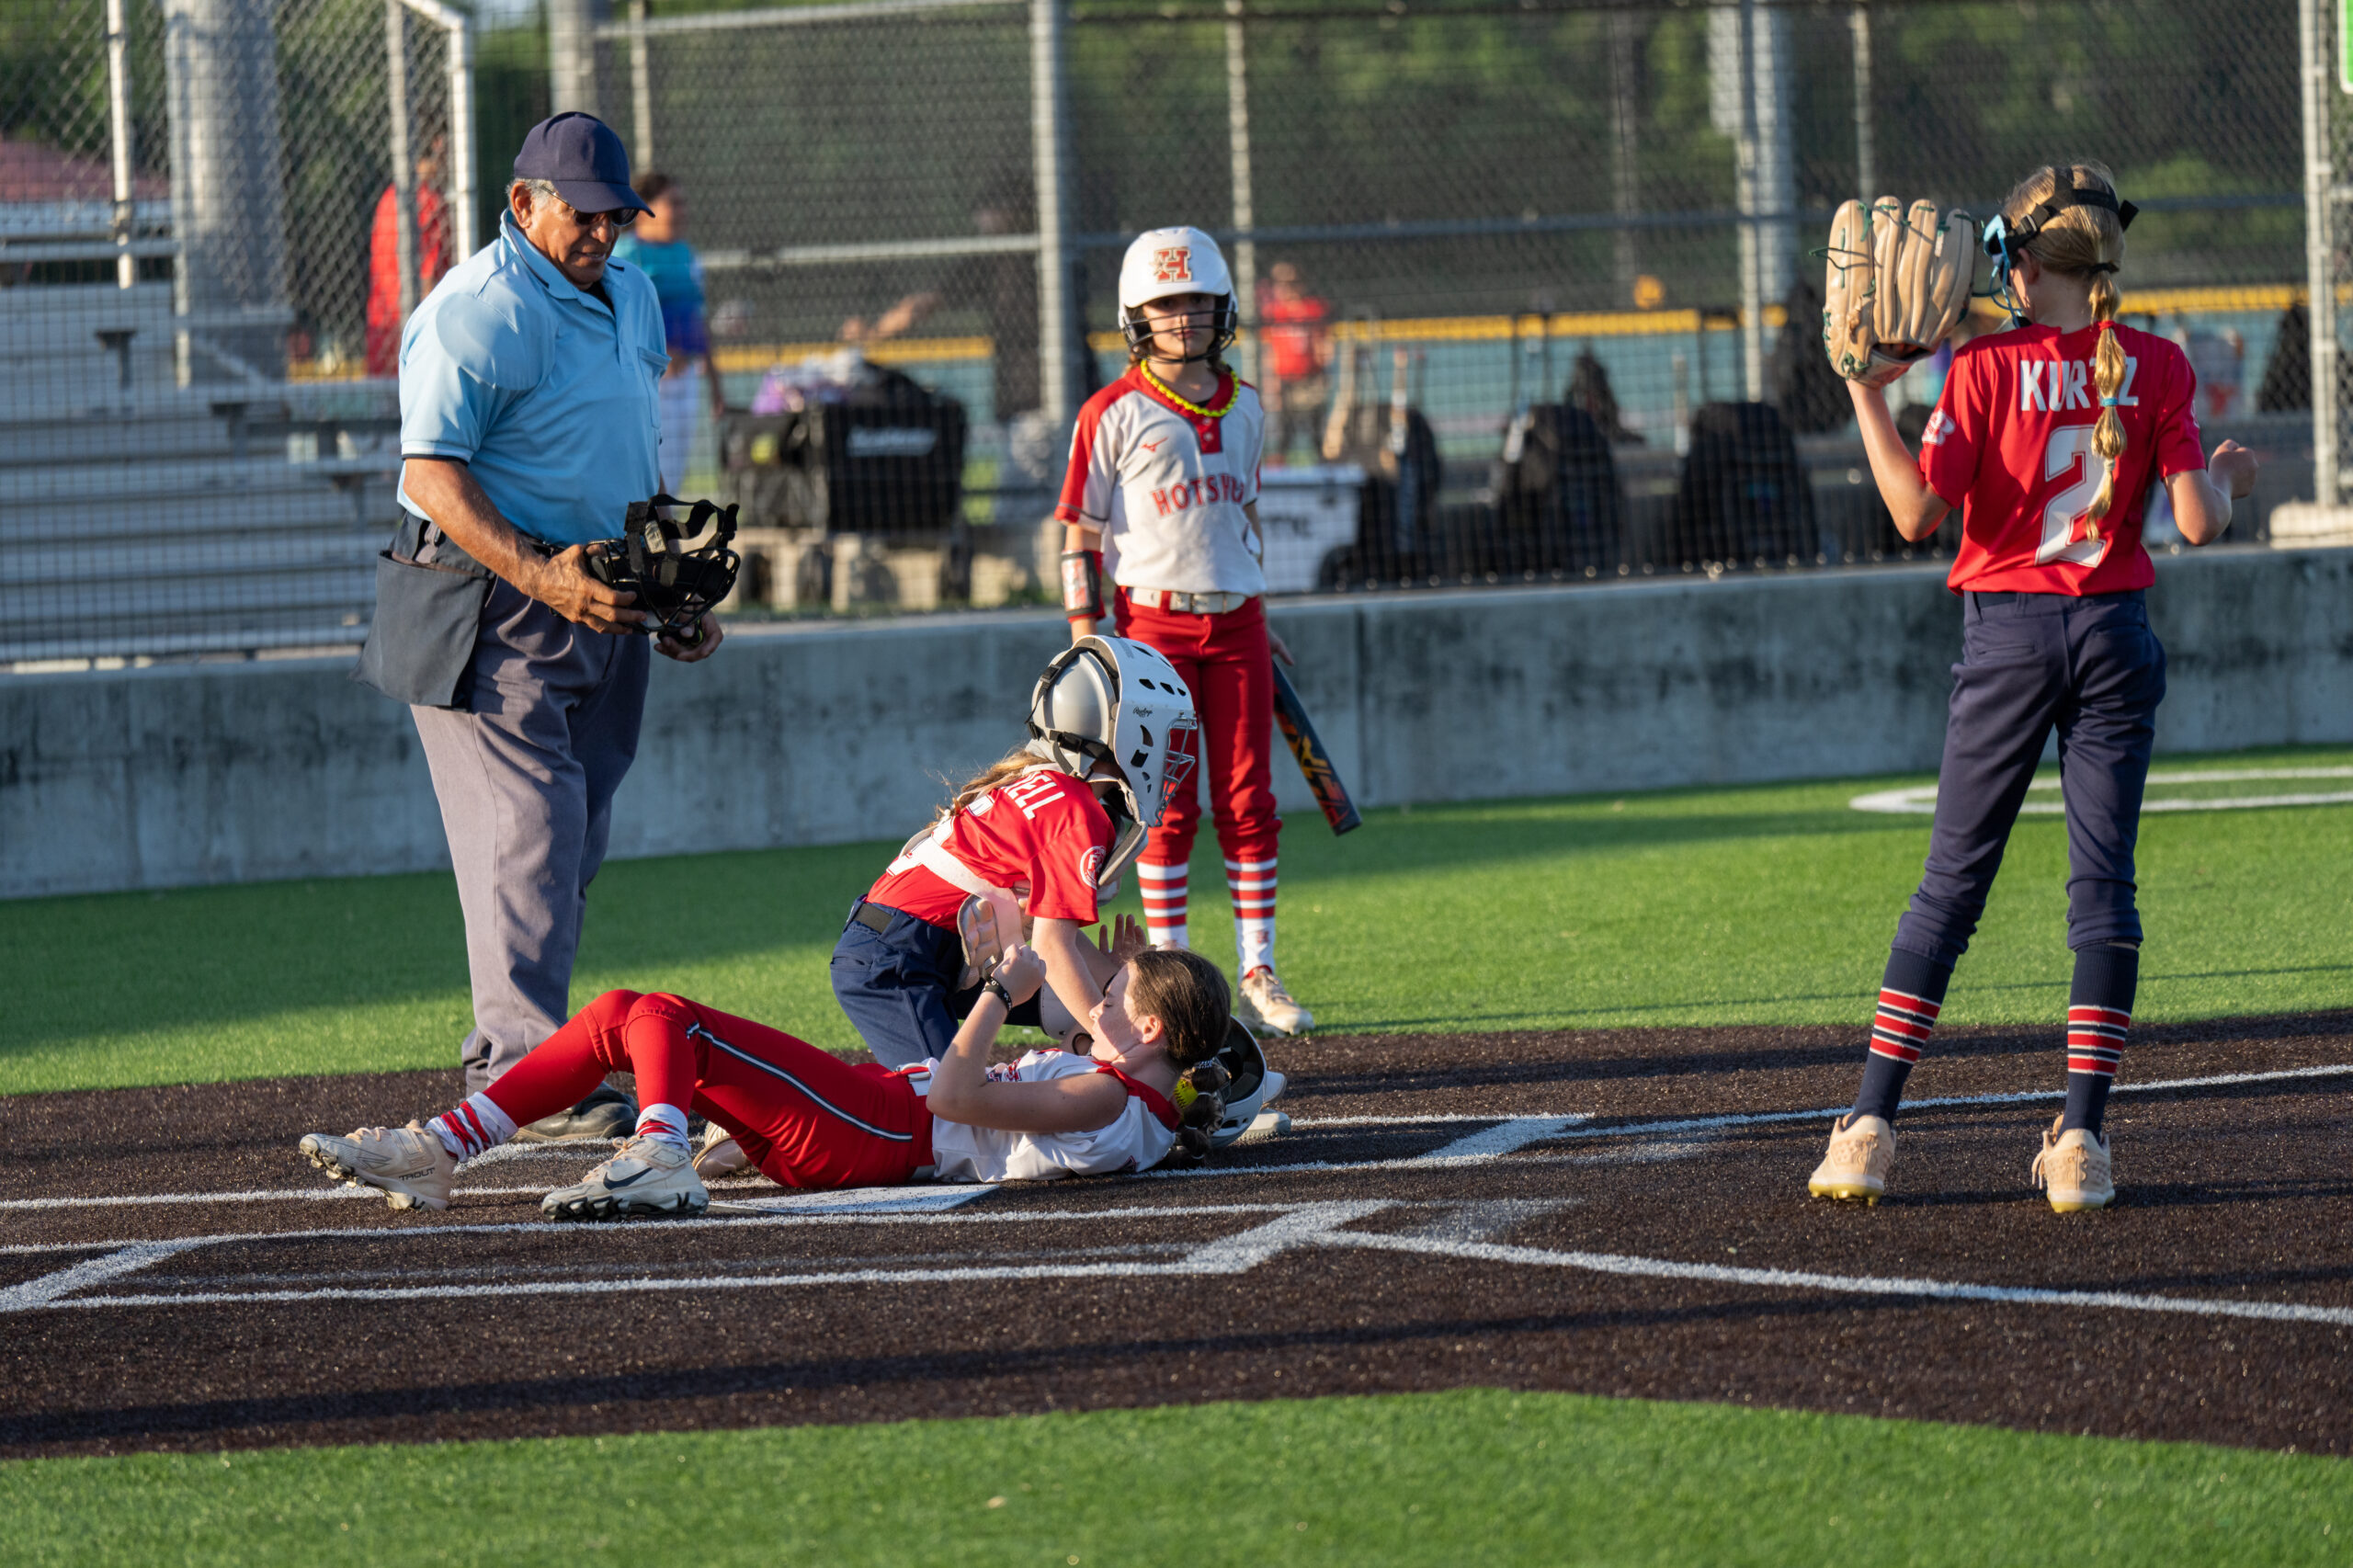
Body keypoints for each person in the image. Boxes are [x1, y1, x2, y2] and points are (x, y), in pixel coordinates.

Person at [1807, 163, 2257, 1213]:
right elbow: (2196, 521)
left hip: (2006, 639)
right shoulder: (2154, 363)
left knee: (1949, 886)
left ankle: (1868, 1128)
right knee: (2101, 893)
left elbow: (1916, 513)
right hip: (2112, 635)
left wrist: (1865, 393)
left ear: (2018, 266)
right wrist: (2228, 478)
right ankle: (2080, 1147)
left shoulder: (1978, 368)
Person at [354, 112, 724, 1144]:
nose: (603, 232)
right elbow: (428, 472)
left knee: (577, 836)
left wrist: (668, 589)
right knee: (534, 833)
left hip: (600, 590)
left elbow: (631, 452)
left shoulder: (634, 295)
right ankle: (523, 1066)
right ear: (523, 203)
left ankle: (533, 1054)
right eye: (584, 212)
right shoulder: (478, 309)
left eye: (616, 215)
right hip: (486, 596)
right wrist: (540, 577)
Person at [297, 941, 1236, 1216]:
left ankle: (658, 1150)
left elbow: (955, 1096)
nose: (1092, 1002)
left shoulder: (1110, 1094)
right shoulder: (1135, 1087)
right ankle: (442, 1147)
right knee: (626, 1008)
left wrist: (996, 991)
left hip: (879, 1129)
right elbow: (1110, 1059)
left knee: (664, 1014)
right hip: (868, 1114)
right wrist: (1094, 982)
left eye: (1112, 995)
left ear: (1149, 1029)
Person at [1057, 226, 1313, 1039]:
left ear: (1223, 306)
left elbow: (1245, 518)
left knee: (1250, 800)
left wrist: (1260, 609)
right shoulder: (1111, 411)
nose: (1184, 318)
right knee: (1166, 805)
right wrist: (1087, 640)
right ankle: (1174, 977)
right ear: (1137, 314)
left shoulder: (1250, 408)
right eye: (1166, 304)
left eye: (1198, 301)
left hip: (1238, 623)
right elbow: (1079, 534)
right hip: (1150, 628)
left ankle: (1258, 969)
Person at [831, 635, 1199, 1070]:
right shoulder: (1077, 811)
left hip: (910, 946)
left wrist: (1121, 987)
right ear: (1124, 729)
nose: (1167, 749)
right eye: (1158, 730)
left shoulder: (1049, 787)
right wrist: (1123, 1052)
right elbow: (1053, 948)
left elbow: (1052, 940)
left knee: (1072, 1006)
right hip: (900, 961)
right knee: (955, 1115)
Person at [611, 172, 724, 493]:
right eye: (673, 203)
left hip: (685, 379)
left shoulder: (687, 255)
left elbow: (697, 320)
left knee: (671, 478)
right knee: (646, 473)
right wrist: (658, 351)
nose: (682, 211)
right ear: (645, 208)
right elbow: (620, 320)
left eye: (683, 203)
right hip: (647, 380)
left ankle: (662, 541)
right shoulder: (626, 255)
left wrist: (716, 384)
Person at [364, 134, 451, 378]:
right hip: (417, 344)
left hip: (383, 336)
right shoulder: (431, 203)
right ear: (437, 145)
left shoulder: (389, 198)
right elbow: (428, 284)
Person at [1256, 260, 1332, 463]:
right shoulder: (1273, 312)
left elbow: (1322, 343)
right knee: (1282, 436)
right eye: (1279, 283)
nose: (1284, 288)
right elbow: (1269, 350)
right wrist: (1271, 384)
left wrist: (1324, 374)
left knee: (1318, 434)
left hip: (1310, 378)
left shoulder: (1314, 308)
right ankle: (1279, 475)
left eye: (1290, 282)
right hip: (1284, 380)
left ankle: (1324, 474)